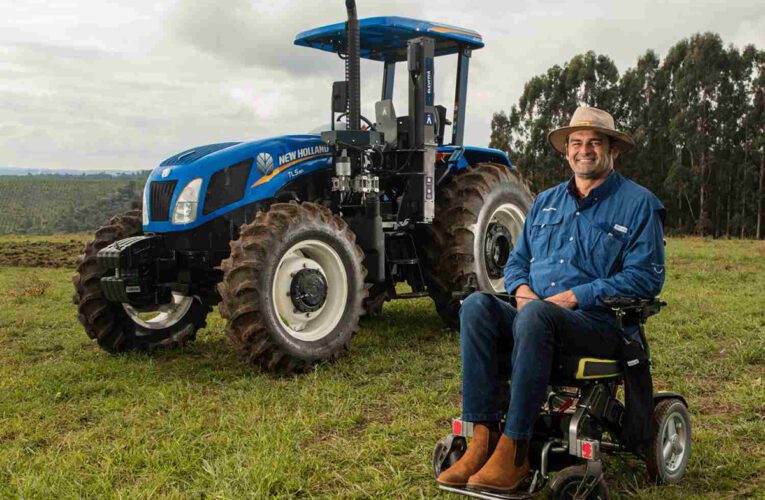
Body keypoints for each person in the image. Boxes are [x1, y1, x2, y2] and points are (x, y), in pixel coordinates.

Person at [435, 106, 666, 494]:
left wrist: (577, 295)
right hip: (535, 319)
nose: (584, 149)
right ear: (566, 151)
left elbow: (645, 277)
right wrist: (522, 289)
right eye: (576, 142)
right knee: (476, 306)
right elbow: (518, 262)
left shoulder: (638, 204)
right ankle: (483, 439)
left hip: (599, 325)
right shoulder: (546, 202)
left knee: (537, 315)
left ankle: (516, 450)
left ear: (613, 150)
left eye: (595, 142)